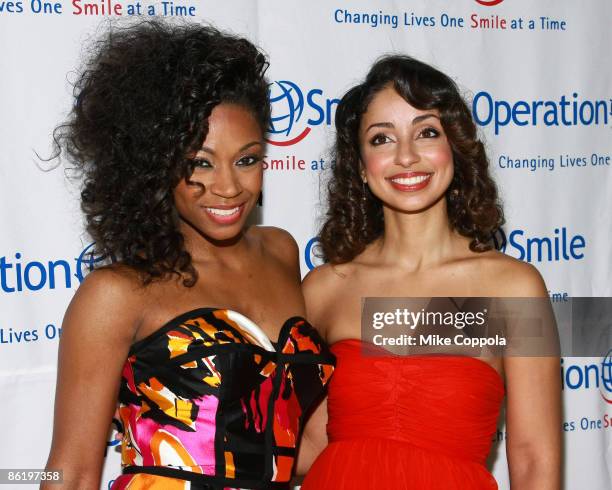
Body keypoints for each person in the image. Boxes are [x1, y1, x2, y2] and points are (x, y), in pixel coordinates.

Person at [43, 21, 334, 490]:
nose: (228, 187)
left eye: (247, 159)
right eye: (200, 162)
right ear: (154, 165)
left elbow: (296, 448)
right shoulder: (118, 293)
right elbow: (70, 473)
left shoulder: (281, 251)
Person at [298, 55, 561, 489]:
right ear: (361, 166)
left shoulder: (513, 287)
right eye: (382, 139)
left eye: (426, 132)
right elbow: (306, 444)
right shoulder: (325, 288)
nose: (406, 156)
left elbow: (535, 459)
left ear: (453, 149)